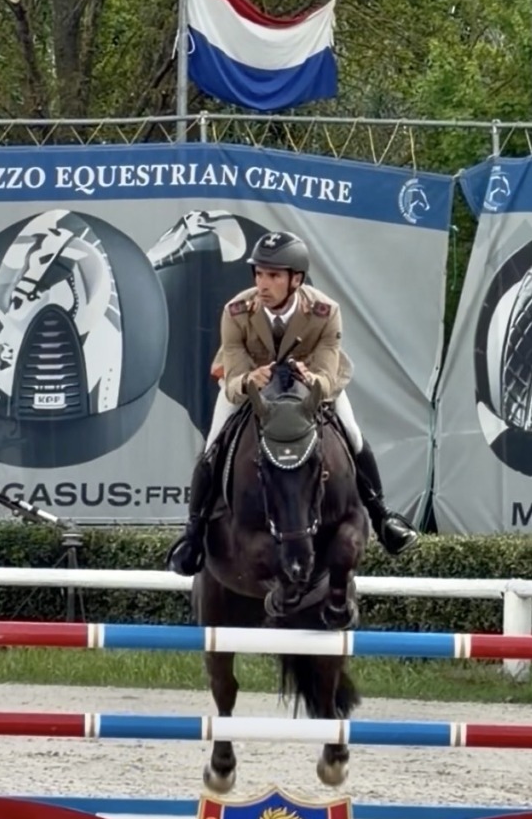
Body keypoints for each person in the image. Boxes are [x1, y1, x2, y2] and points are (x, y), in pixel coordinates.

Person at [165, 229, 418, 576]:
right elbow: (236, 377)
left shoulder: (325, 311)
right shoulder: (236, 311)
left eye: (273, 276)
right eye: (259, 274)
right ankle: (193, 533)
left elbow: (328, 372)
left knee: (353, 435)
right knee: (213, 446)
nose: (263, 284)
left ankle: (382, 516)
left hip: (309, 384)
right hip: (252, 384)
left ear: (295, 279)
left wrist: (313, 381)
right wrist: (248, 381)